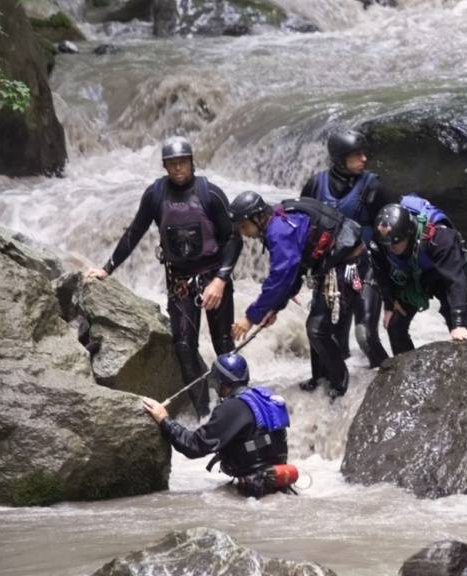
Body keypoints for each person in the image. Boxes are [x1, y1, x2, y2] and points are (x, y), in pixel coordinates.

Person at [85, 136, 240, 418]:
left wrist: (221, 280)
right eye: (172, 164)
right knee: (184, 347)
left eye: (183, 162)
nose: (178, 168)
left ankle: (237, 407)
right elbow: (135, 232)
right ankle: (205, 412)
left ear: (192, 163)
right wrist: (106, 268)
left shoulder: (211, 194)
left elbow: (233, 239)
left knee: (224, 347)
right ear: (165, 166)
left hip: (213, 277)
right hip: (180, 281)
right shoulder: (156, 195)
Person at [228, 191, 364, 400]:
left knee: (317, 329)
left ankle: (340, 383)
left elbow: (281, 278)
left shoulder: (278, 230)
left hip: (348, 262)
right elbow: (293, 273)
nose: (244, 233)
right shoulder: (278, 219)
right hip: (330, 263)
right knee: (315, 327)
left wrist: (250, 317)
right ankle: (319, 378)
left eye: (244, 226)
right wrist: (275, 307)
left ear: (257, 217)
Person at [141, 352, 298, 498]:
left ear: (221, 382)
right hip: (279, 481)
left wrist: (164, 419)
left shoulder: (232, 408)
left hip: (254, 491)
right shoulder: (266, 398)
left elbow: (193, 445)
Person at [299, 130, 389, 379]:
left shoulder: (373, 187)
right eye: (356, 155)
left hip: (363, 269)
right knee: (329, 337)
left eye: (364, 153)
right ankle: (335, 387)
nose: (364, 159)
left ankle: (388, 379)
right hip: (331, 273)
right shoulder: (315, 185)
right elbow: (303, 232)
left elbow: (388, 236)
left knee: (365, 334)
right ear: (340, 159)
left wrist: (392, 289)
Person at [370, 198, 467, 354]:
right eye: (386, 244)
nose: (390, 248)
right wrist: (389, 303)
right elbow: (382, 274)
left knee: (461, 333)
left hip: (442, 275)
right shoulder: (380, 242)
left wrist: (459, 323)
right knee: (394, 326)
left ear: (409, 234)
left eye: (395, 243)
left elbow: (456, 281)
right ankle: (405, 370)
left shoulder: (439, 238)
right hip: (411, 274)